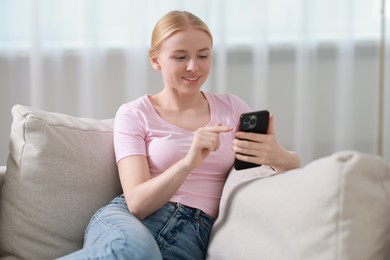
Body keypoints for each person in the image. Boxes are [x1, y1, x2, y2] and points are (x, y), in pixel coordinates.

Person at [59, 10, 300, 260]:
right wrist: (188, 162)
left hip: (193, 234)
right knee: (134, 252)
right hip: (130, 224)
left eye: (203, 56)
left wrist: (278, 155)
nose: (194, 67)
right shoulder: (134, 113)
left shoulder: (231, 108)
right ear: (156, 60)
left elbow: (293, 166)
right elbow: (138, 204)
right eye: (180, 56)